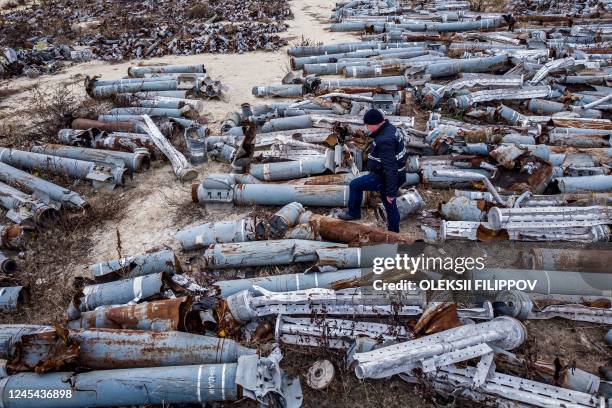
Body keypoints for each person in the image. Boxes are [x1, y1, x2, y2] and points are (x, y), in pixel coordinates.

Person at [338, 108, 407, 232]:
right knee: (357, 186)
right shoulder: (389, 128)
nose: (366, 127)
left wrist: (391, 191)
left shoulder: (385, 140)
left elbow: (390, 168)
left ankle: (393, 233)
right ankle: (355, 213)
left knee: (389, 204)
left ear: (375, 123)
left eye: (368, 125)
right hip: (385, 174)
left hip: (385, 177)